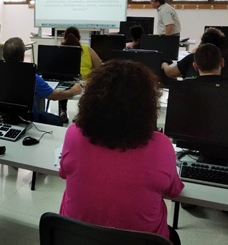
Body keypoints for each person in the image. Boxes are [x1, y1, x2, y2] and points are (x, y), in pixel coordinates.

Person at [59, 59, 184, 245]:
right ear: (147, 105)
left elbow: (63, 173)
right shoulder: (161, 145)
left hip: (75, 239)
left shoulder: (74, 134)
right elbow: (174, 190)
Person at [2, 37, 82, 126]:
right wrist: (74, 91)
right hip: (29, 121)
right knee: (58, 121)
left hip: (3, 119)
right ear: (23, 56)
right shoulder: (31, 76)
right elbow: (54, 96)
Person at [59, 26, 101, 122]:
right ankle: (81, 113)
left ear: (64, 38)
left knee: (61, 84)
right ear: (79, 38)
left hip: (66, 83)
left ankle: (62, 111)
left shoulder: (61, 50)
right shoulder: (87, 49)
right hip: (85, 82)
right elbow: (99, 65)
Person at [162, 27, 226, 79]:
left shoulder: (195, 57)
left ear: (195, 65)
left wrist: (164, 64)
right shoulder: (223, 57)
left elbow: (170, 72)